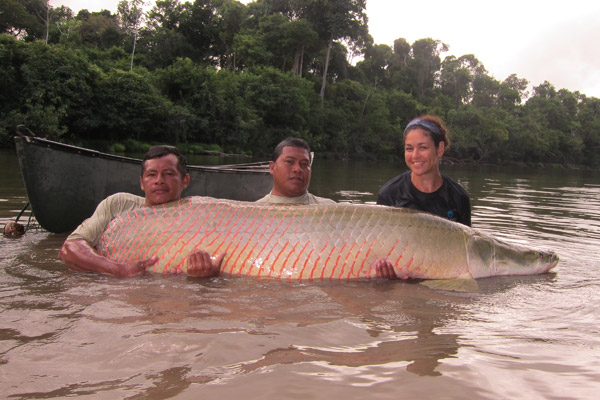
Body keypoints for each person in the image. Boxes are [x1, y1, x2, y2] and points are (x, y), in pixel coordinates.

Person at [59, 145, 224, 278]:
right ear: (142, 182)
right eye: (151, 175)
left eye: (168, 174)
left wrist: (206, 277)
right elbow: (70, 248)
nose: (159, 181)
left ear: (185, 180)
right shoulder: (119, 205)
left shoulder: (201, 217)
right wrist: (119, 270)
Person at [377, 115, 471, 226]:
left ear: (439, 149)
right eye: (409, 148)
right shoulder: (389, 194)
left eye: (423, 147)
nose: (415, 155)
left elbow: (465, 240)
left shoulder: (459, 197)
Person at [256, 137, 335, 204]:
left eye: (304, 164)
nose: (298, 169)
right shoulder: (254, 212)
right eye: (290, 162)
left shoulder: (332, 209)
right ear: (272, 167)